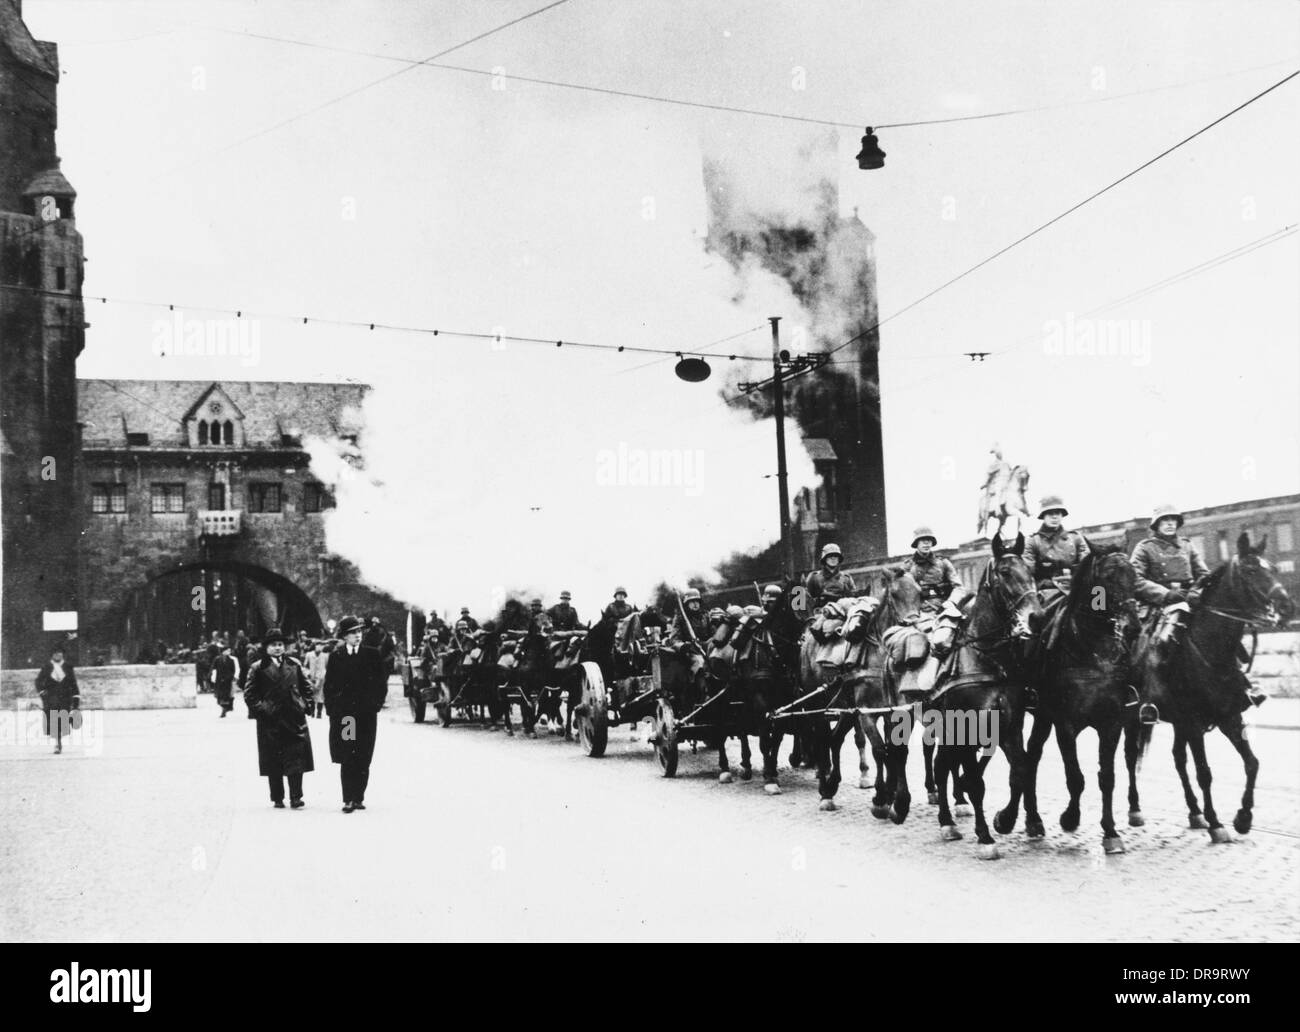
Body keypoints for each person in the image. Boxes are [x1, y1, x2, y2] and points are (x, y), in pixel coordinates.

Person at [243, 628, 315, 809]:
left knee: (296, 759)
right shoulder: (258, 668)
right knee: (273, 759)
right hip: (270, 721)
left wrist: (305, 705)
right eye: (273, 645)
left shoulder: (294, 664)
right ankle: (277, 797)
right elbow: (249, 695)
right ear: (266, 647)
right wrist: (263, 709)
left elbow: (307, 688)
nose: (277, 648)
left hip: (293, 718)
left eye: (280, 645)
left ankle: (296, 797)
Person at [323, 615, 387, 813]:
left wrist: (376, 705)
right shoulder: (337, 656)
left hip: (366, 716)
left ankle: (359, 797)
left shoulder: (372, 654)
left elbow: (380, 683)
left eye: (359, 632)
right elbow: (330, 685)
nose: (357, 636)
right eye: (352, 633)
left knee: (364, 755)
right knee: (347, 754)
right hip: (347, 717)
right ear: (344, 636)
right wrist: (333, 709)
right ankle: (348, 799)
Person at [1024, 495, 1090, 595]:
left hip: (1075, 586)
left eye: (1057, 513)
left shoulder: (1075, 538)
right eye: (1050, 513)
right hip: (1047, 590)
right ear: (1043, 516)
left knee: (1098, 604)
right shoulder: (1033, 541)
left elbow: (1087, 564)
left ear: (1062, 515)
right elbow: (1027, 572)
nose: (1054, 517)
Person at [902, 527, 964, 615]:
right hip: (917, 612)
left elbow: (959, 587)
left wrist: (951, 602)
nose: (926, 543)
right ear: (916, 543)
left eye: (929, 540)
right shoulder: (907, 566)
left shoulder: (943, 563)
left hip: (943, 609)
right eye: (922, 540)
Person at [35, 646, 80, 755]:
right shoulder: (47, 667)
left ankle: (59, 741)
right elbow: (38, 681)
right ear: (52, 655)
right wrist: (42, 692)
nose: (58, 655)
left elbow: (73, 683)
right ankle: (57, 743)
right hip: (51, 698)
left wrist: (76, 699)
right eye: (55, 653)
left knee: (63, 719)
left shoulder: (68, 667)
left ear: (62, 654)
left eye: (60, 653)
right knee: (54, 720)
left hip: (65, 697)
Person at [804, 543, 858, 611]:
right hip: (821, 612)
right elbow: (807, 599)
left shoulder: (846, 578)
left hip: (843, 612)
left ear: (839, 559)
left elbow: (854, 598)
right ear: (825, 559)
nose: (833, 558)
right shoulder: (814, 577)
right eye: (830, 556)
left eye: (836, 556)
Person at [211, 642, 239, 717]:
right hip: (219, 679)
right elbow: (214, 668)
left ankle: (224, 710)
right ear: (223, 651)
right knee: (219, 695)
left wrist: (232, 677)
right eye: (227, 650)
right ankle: (225, 708)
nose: (229, 652)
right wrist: (213, 677)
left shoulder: (232, 660)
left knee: (226, 695)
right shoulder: (217, 659)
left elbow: (233, 670)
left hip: (227, 680)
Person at [304, 639, 328, 718]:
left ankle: (319, 713)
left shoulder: (325, 655)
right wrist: (308, 674)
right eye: (318, 645)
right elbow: (305, 666)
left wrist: (325, 675)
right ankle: (312, 712)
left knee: (321, 696)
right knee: (312, 695)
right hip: (312, 678)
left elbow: (328, 666)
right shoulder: (309, 654)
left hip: (321, 678)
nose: (320, 647)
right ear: (315, 646)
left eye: (321, 645)